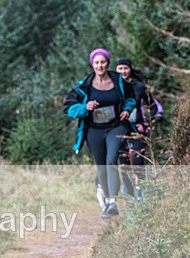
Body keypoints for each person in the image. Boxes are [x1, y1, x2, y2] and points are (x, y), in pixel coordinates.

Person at [64, 48, 136, 219]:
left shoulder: (118, 81)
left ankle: (112, 202)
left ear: (107, 62)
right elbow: (68, 108)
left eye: (103, 61)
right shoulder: (84, 86)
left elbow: (131, 97)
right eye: (96, 62)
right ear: (92, 64)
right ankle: (107, 200)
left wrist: (127, 110)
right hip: (94, 131)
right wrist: (85, 107)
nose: (100, 65)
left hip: (115, 127)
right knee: (102, 166)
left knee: (111, 161)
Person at [115, 58, 163, 200]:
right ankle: (128, 190)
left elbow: (153, 106)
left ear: (130, 69)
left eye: (126, 68)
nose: (123, 71)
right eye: (120, 69)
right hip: (119, 130)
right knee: (124, 163)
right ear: (116, 71)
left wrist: (146, 123)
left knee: (137, 160)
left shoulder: (140, 87)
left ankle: (139, 191)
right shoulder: (112, 87)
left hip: (137, 129)